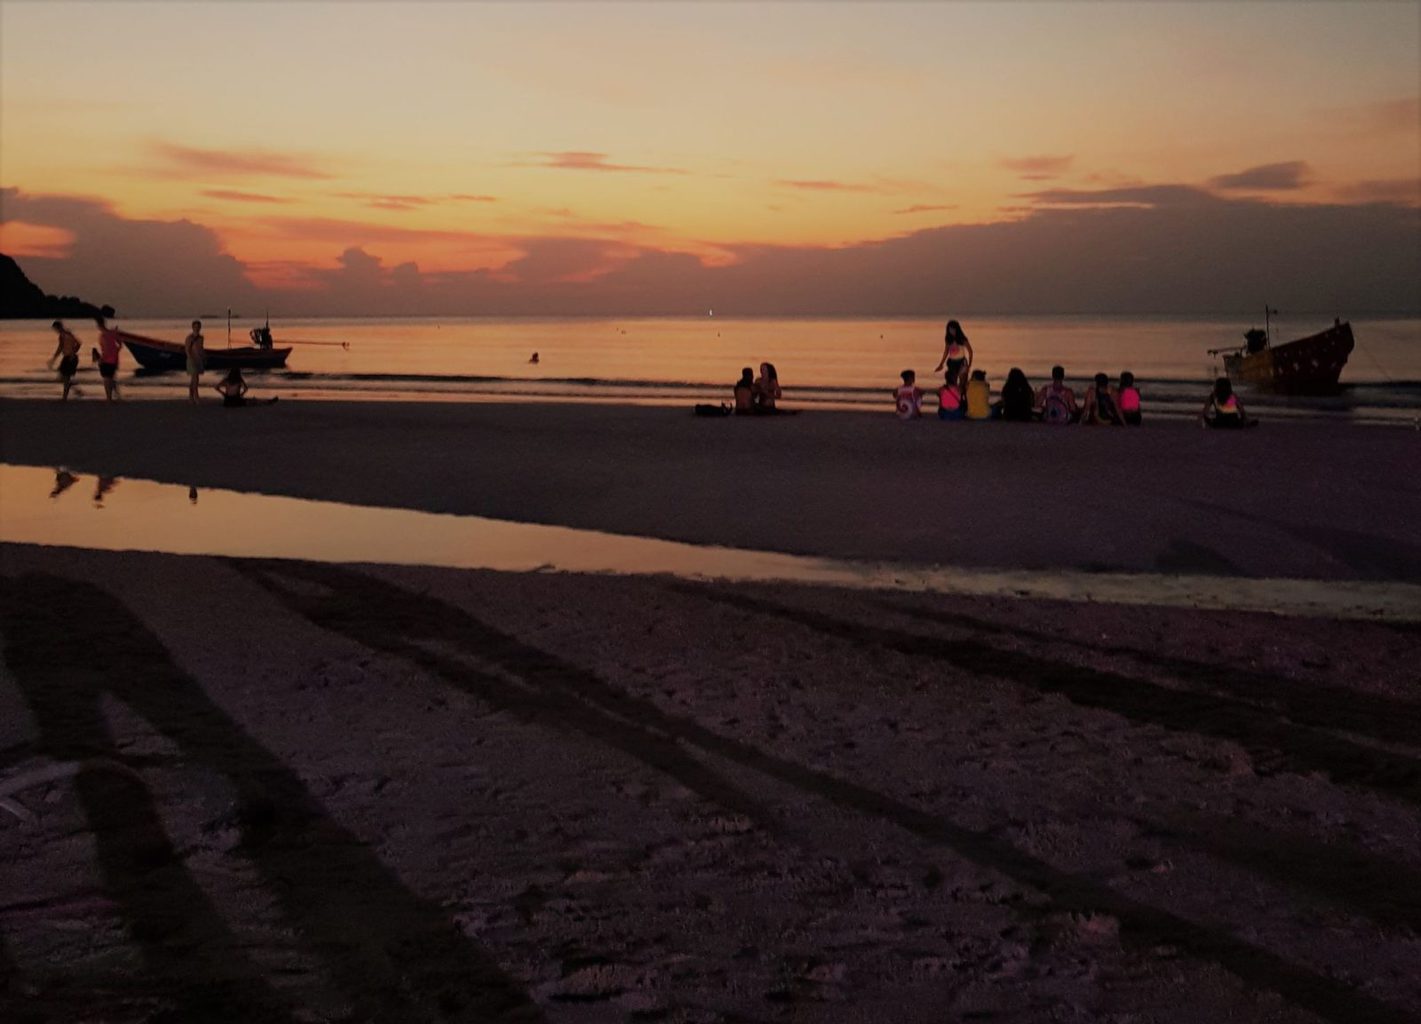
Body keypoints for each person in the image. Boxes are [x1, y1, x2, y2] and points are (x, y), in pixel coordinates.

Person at [932, 319, 973, 393]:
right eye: (950, 329)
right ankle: (953, 400)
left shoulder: (962, 339)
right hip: (951, 362)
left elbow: (970, 351)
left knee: (963, 383)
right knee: (951, 382)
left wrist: (969, 365)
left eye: (953, 328)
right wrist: (941, 364)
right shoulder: (948, 339)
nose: (952, 331)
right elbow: (946, 351)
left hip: (962, 362)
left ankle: (962, 400)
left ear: (957, 329)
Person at [47, 320, 82, 400]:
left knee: (65, 377)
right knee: (63, 377)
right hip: (68, 357)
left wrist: (72, 353)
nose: (55, 331)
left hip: (70, 358)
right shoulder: (68, 333)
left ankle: (65, 397)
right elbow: (78, 343)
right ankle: (73, 389)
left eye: (55, 329)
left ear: (58, 327)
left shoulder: (63, 335)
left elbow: (60, 348)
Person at [214, 366, 278, 407]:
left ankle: (267, 401)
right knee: (253, 401)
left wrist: (224, 394)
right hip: (236, 401)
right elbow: (246, 389)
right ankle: (267, 402)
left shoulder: (226, 380)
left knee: (251, 401)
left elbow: (216, 387)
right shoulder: (239, 380)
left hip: (227, 402)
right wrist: (242, 394)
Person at [94, 313, 121, 401]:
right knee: (111, 379)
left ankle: (109, 398)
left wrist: (101, 359)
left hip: (106, 360)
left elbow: (106, 349)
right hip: (114, 360)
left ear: (98, 325)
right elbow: (120, 345)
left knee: (106, 380)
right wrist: (116, 352)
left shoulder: (103, 336)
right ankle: (116, 395)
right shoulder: (113, 333)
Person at [184, 320, 205, 404]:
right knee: (195, 379)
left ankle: (191, 397)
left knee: (194, 379)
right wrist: (191, 359)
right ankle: (196, 396)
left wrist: (204, 357)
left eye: (198, 326)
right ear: (192, 327)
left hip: (199, 360)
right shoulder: (189, 338)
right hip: (192, 360)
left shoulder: (201, 338)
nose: (197, 328)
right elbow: (187, 350)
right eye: (195, 327)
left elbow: (201, 349)